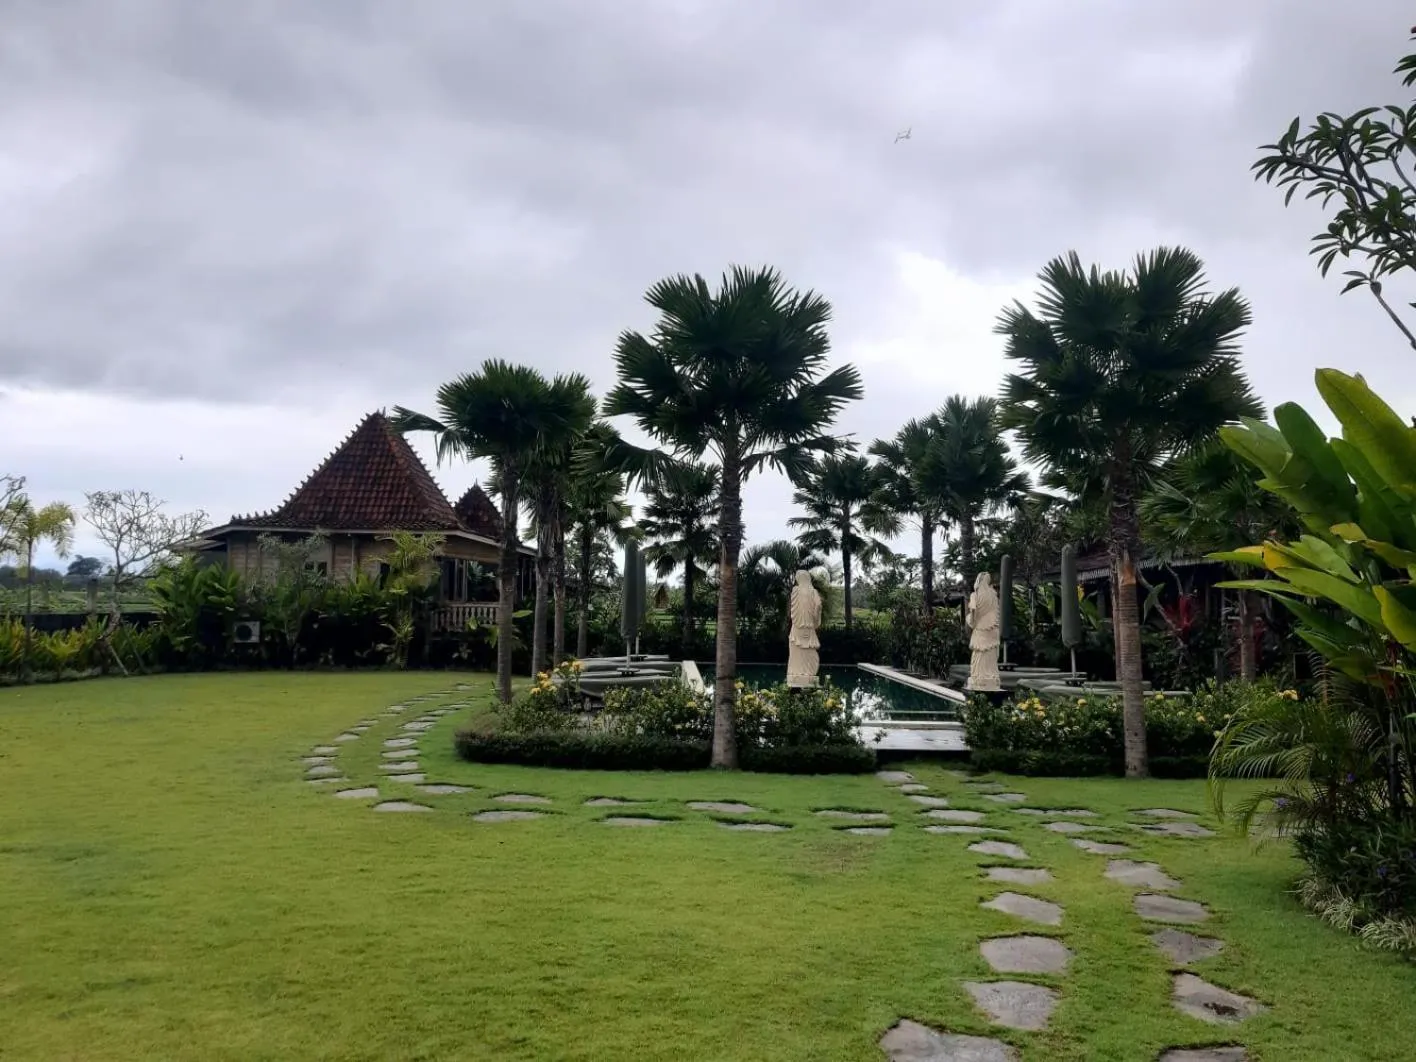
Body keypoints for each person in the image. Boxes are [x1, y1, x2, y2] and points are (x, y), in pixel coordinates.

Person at [966, 571, 1002, 692]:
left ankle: (980, 678)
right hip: (993, 629)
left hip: (981, 629)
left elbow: (973, 615)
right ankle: (991, 677)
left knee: (980, 654)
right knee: (990, 654)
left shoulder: (975, 595)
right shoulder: (993, 594)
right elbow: (997, 613)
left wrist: (970, 620)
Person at [787, 569, 822, 688]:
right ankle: (808, 674)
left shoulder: (795, 590)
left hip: (797, 628)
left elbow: (793, 611)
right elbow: (818, 605)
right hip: (809, 627)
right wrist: (816, 617)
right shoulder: (813, 592)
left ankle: (795, 673)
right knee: (809, 652)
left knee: (795, 651)